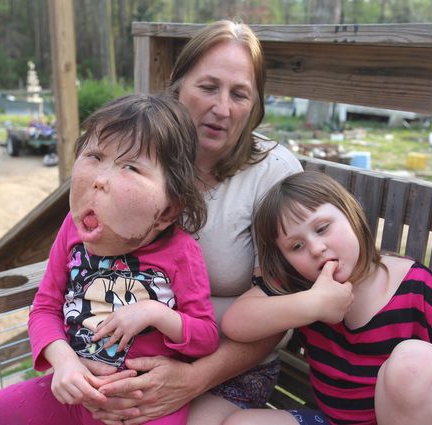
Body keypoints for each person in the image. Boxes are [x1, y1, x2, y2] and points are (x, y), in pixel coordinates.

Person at [0, 93, 219, 425]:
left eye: (131, 167)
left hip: (142, 409)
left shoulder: (181, 253)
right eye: (94, 155)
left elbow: (205, 337)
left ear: (167, 211)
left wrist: (155, 313)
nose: (100, 179)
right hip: (71, 399)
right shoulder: (71, 230)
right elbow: (45, 308)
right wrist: (63, 361)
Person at [81, 19, 303, 425]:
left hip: (229, 370)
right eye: (208, 87)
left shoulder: (274, 175)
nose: (222, 108)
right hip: (121, 356)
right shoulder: (141, 154)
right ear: (178, 85)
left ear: (255, 105)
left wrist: (191, 379)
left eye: (239, 94)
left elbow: (281, 310)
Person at [219, 170, 432, 425]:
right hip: (332, 420)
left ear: (351, 215)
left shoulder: (414, 285)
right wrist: (313, 304)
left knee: (413, 363)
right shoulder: (302, 287)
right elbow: (236, 322)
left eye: (322, 228)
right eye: (296, 246)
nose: (315, 248)